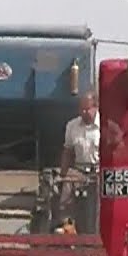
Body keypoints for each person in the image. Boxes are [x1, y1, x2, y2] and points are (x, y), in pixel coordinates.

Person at [57, 91, 101, 232]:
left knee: (97, 198)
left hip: (99, 171)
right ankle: (67, 225)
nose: (84, 112)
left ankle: (95, 232)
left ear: (95, 107)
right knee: (67, 183)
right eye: (81, 109)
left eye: (87, 109)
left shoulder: (105, 125)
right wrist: (62, 174)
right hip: (80, 170)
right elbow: (67, 151)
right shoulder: (72, 126)